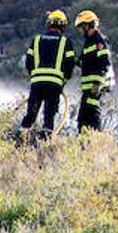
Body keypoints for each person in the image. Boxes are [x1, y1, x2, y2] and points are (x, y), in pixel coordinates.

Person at [22, 10, 77, 141]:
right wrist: (64, 80)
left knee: (31, 114)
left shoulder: (36, 40)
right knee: (49, 116)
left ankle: (21, 141)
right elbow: (70, 64)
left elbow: (29, 62)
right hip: (54, 85)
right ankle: (45, 144)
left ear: (49, 24)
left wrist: (34, 76)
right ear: (63, 25)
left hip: (37, 83)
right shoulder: (65, 42)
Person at [74, 9, 114, 132]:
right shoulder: (89, 42)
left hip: (98, 88)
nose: (80, 31)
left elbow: (104, 63)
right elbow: (82, 62)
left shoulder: (99, 41)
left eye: (81, 27)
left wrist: (97, 84)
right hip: (89, 88)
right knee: (82, 119)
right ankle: (85, 146)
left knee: (93, 117)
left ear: (88, 25)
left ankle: (96, 144)